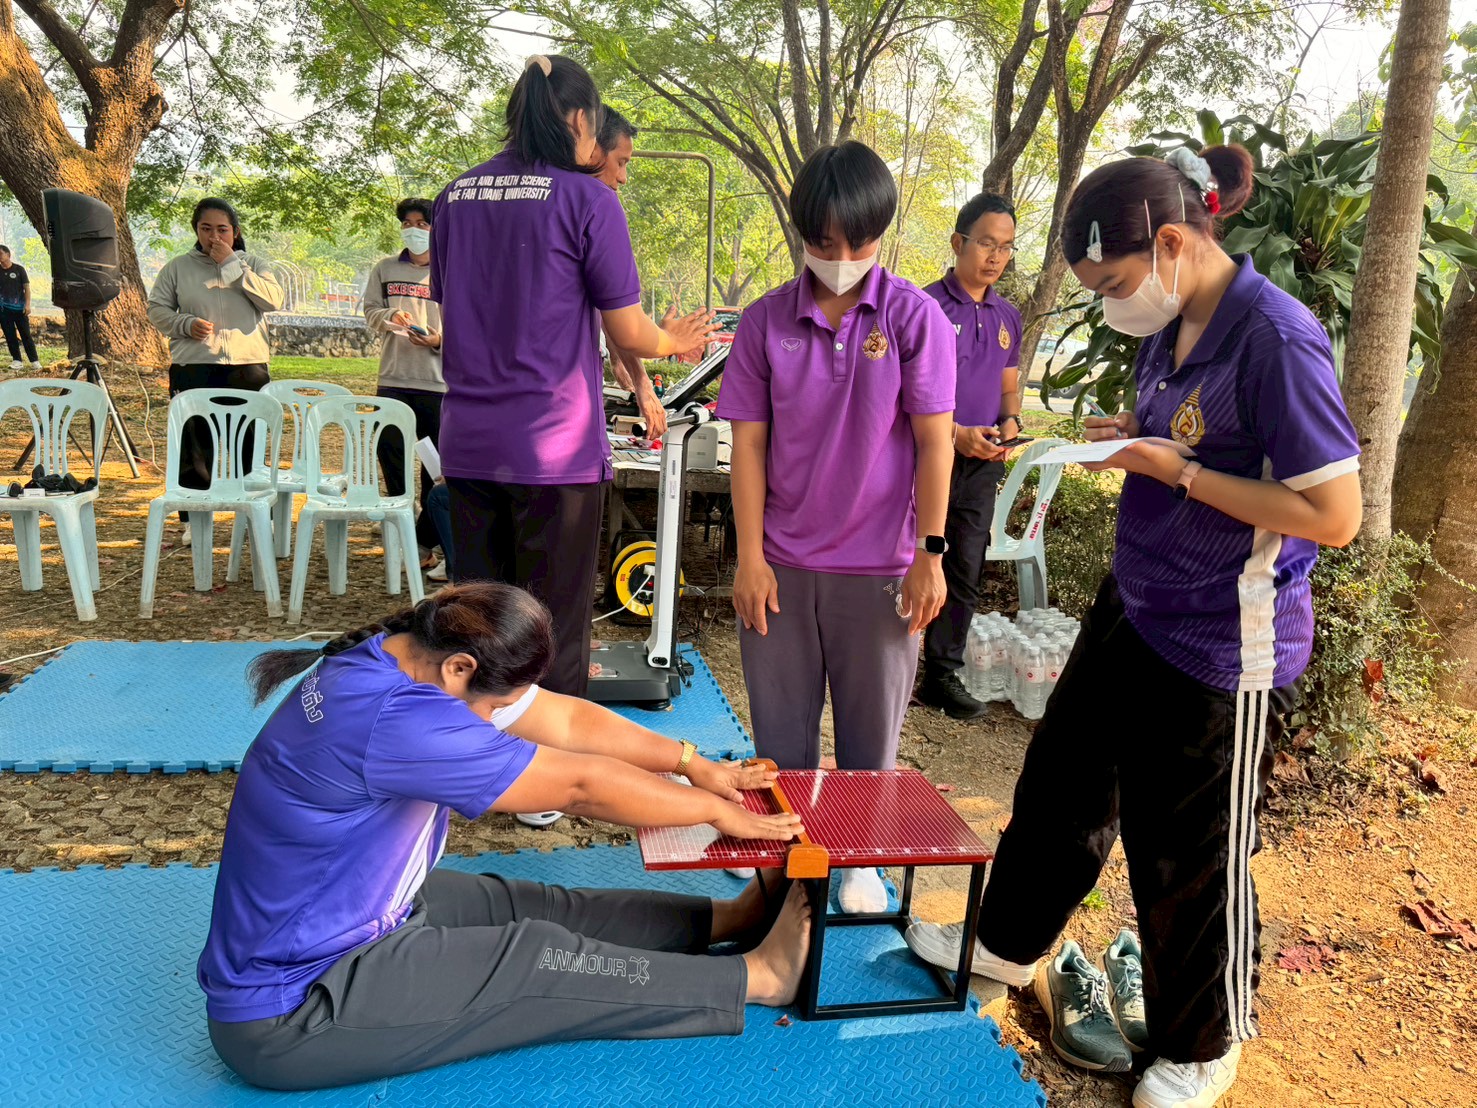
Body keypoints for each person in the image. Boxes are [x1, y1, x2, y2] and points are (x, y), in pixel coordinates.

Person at [904, 146, 1361, 1108]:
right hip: (1136, 601)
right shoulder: (1171, 319)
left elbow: (1332, 514)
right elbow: (1194, 431)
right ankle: (1004, 944)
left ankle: (1201, 1040)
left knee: (1185, 849)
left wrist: (1178, 471)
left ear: (1172, 243)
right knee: (1060, 784)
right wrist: (1136, 438)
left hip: (1222, 635)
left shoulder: (1276, 340)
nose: (1112, 304)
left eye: (1113, 283)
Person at [199, 582, 812, 1091]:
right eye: (494, 708)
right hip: (293, 1006)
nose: (495, 721)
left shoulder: (400, 655)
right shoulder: (402, 719)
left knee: (533, 905)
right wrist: (715, 812)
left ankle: (732, 920)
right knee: (535, 957)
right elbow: (578, 787)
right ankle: (758, 978)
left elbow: (565, 720)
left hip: (357, 913)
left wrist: (690, 762)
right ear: (460, 668)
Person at [716, 140, 955, 915]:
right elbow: (748, 446)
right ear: (802, 235)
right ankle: (784, 855)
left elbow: (934, 443)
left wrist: (929, 553)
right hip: (782, 564)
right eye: (824, 243)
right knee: (779, 733)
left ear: (881, 234)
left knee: (868, 734)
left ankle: (857, 861)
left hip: (882, 565)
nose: (843, 260)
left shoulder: (914, 318)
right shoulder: (763, 321)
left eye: (860, 243)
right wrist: (749, 557)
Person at [430, 55, 715, 699]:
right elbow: (629, 331)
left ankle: (474, 741)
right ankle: (547, 751)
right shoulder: (588, 200)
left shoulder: (454, 197)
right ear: (582, 118)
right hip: (552, 450)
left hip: (469, 443)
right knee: (550, 628)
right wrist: (675, 341)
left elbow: (458, 312)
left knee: (478, 624)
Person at [917, 194, 1024, 719]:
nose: (995, 256)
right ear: (959, 242)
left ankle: (941, 673)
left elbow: (1008, 388)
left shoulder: (1009, 316)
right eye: (986, 243)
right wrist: (954, 433)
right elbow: (898, 393)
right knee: (911, 555)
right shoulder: (923, 306)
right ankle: (887, 661)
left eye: (1006, 247)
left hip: (981, 463)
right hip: (923, 457)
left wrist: (1011, 423)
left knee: (964, 564)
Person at [147, 199, 284, 544]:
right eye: (205, 229)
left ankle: (256, 514)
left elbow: (273, 300)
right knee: (195, 442)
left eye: (222, 229)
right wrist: (184, 323)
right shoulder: (178, 268)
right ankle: (194, 518)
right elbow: (157, 309)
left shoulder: (254, 264)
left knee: (249, 441)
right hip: (194, 365)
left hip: (247, 366)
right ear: (196, 231)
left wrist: (233, 265)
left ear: (235, 231)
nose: (214, 237)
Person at [363, 197, 446, 574]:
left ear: (436, 229)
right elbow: (370, 311)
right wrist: (390, 315)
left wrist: (438, 340)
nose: (414, 230)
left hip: (436, 383)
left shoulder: (450, 270)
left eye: (422, 224)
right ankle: (400, 525)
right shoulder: (385, 268)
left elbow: (466, 324)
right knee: (391, 456)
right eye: (407, 223)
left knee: (434, 467)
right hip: (393, 380)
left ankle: (425, 541)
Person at [594, 105, 667, 442]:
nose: (623, 177)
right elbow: (625, 323)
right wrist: (672, 341)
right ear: (592, 147)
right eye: (620, 162)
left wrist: (632, 374)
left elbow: (608, 308)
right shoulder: (598, 205)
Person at [0, 244, 41, 372]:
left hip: (20, 309)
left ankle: (34, 361)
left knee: (26, 334)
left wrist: (27, 305)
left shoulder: (19, 269)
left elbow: (26, 288)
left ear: (8, 255)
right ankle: (17, 360)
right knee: (10, 335)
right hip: (4, 310)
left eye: (1, 254)